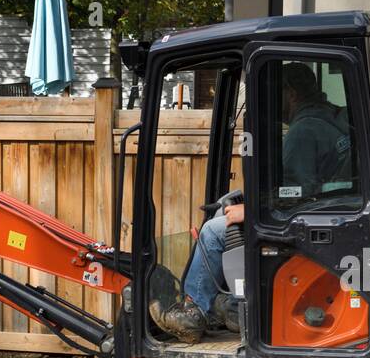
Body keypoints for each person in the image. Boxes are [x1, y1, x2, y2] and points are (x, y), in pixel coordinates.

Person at [152, 61, 354, 343]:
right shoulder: (335, 120)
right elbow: (312, 186)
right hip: (328, 215)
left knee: (213, 231)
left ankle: (194, 311)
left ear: (292, 93)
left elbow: (297, 194)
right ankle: (230, 307)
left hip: (303, 226)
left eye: (277, 94)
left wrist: (251, 210)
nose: (274, 104)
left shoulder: (304, 132)